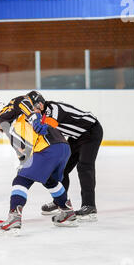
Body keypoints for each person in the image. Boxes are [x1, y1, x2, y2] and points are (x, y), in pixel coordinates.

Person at [0, 95, 78, 235]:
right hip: (63, 147)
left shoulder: (9, 122)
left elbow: (21, 101)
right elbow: (24, 151)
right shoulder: (19, 119)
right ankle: (67, 212)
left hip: (47, 148)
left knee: (21, 180)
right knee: (50, 181)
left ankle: (14, 218)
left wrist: (24, 169)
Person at [26, 91, 103, 222]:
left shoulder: (53, 109)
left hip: (91, 131)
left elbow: (47, 127)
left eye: (32, 107)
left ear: (40, 104)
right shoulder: (41, 114)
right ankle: (60, 202)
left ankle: (89, 206)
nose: (31, 111)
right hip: (76, 136)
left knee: (84, 166)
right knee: (62, 169)